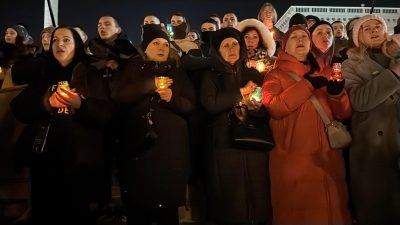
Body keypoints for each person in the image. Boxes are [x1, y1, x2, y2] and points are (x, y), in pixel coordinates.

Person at [10, 25, 114, 225]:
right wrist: (46, 103)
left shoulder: (90, 74)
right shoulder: (43, 72)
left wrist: (81, 105)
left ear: (77, 45)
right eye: (56, 40)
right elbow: (19, 108)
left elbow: (107, 114)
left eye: (67, 40)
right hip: (45, 160)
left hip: (80, 162)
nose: (60, 44)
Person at [262, 24, 352, 225]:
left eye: (304, 36)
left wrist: (337, 94)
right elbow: (275, 106)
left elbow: (343, 113)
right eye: (294, 37)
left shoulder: (324, 73)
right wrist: (308, 85)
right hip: (294, 159)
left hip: (327, 157)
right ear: (284, 47)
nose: (301, 40)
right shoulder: (275, 75)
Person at [110, 25, 195, 225]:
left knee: (167, 211)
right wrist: (151, 84)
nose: (161, 47)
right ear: (145, 48)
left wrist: (172, 98)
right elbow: (118, 95)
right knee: (139, 208)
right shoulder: (132, 69)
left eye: (165, 44)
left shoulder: (178, 73)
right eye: (155, 43)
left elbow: (190, 105)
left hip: (170, 154)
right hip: (139, 150)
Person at [200, 27, 272, 225]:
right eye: (226, 45)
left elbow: (265, 107)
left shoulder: (252, 72)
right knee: (230, 195)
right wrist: (240, 93)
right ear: (217, 50)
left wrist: (256, 106)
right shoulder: (211, 74)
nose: (231, 48)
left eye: (235, 44)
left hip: (253, 142)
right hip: (223, 144)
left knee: (257, 190)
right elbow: (210, 104)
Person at [342, 14, 400, 225]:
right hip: (373, 150)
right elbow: (359, 100)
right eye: (367, 28)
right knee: (378, 209)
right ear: (358, 37)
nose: (375, 30)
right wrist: (394, 74)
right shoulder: (351, 64)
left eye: (378, 26)